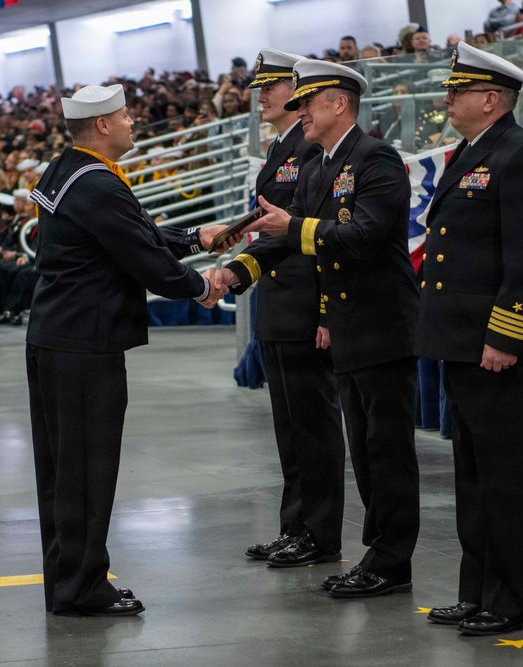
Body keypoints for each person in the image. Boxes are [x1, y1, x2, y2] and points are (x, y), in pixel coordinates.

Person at [25, 84, 236, 617]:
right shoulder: (98, 184)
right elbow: (139, 253)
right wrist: (200, 286)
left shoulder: (67, 169)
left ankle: (68, 580)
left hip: (57, 336)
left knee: (60, 471)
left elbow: (128, 233)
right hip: (85, 345)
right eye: (123, 116)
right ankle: (82, 588)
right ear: (101, 126)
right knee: (87, 470)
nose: (132, 121)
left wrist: (194, 235)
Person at [222, 59, 421, 599]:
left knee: (386, 452)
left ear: (340, 102)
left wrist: (294, 228)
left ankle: (391, 559)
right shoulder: (319, 166)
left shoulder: (375, 157)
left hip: (382, 324)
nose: (299, 110)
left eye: (308, 101)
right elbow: (297, 239)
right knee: (363, 448)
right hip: (349, 325)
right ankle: (377, 555)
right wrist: (235, 265)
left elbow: (366, 235)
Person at [419, 41, 523, 635]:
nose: (447, 100)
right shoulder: (470, 151)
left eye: (458, 91)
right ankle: (476, 592)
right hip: (461, 342)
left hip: (497, 346)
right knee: (472, 479)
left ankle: (509, 601)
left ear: (491, 98)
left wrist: (505, 337)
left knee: (503, 481)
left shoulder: (520, 153)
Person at [234, 49, 346, 569]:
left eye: (271, 88)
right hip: (278, 303)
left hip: (304, 302)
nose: (263, 97)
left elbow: (311, 231)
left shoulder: (311, 148)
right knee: (289, 426)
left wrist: (326, 311)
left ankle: (319, 533)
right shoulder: (286, 147)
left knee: (313, 426)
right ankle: (295, 526)